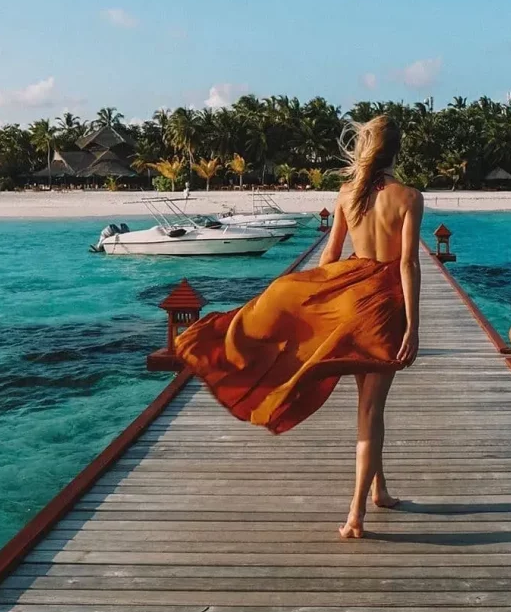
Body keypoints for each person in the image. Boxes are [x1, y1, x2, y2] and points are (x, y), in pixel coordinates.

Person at [174, 114, 423, 539]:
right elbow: (407, 264)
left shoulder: (347, 194)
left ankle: (379, 490)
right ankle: (355, 514)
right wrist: (414, 326)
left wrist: (309, 296)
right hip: (383, 309)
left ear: (366, 149)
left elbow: (330, 257)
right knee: (371, 410)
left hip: (349, 301)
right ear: (397, 151)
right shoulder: (409, 197)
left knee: (367, 409)